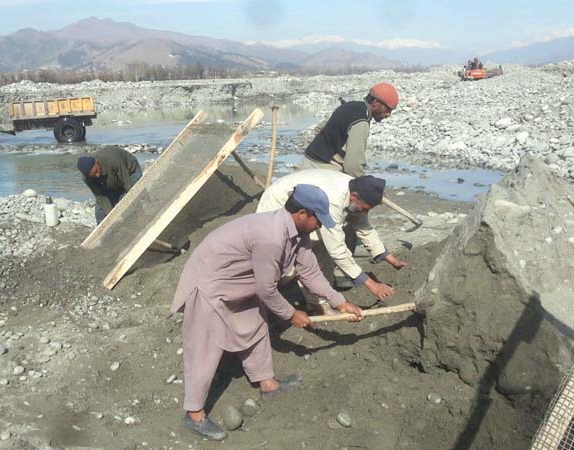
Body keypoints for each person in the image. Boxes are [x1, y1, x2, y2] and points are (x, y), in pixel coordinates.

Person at [171, 184, 364, 440]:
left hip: (239, 281)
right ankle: (194, 415)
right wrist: (291, 314)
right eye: (318, 219)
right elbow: (266, 289)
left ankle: (268, 384)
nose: (320, 225)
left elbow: (310, 272)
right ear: (302, 213)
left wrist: (339, 301)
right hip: (210, 282)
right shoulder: (271, 237)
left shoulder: (298, 232)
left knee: (254, 324)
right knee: (205, 348)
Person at [258, 170, 407, 303]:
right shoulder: (333, 200)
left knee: (320, 251)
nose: (365, 212)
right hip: (280, 203)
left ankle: (318, 302)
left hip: (309, 210)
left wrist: (388, 257)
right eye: (365, 208)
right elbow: (337, 249)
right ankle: (270, 295)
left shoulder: (357, 191)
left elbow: (363, 226)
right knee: (285, 261)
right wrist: (370, 284)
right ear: (354, 196)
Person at [302, 82, 398, 177]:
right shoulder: (361, 121)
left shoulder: (351, 106)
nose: (388, 115)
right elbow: (353, 166)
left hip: (309, 162)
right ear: (375, 102)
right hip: (323, 169)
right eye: (388, 110)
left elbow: (320, 128)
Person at [77, 146, 143, 224]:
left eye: (96, 171)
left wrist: (135, 202)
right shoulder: (87, 178)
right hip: (110, 182)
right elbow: (100, 196)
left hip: (130, 172)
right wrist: (112, 216)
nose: (97, 175)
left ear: (96, 162)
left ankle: (140, 218)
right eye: (93, 175)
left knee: (126, 200)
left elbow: (127, 183)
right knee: (100, 212)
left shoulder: (112, 160)